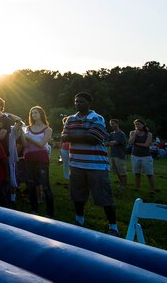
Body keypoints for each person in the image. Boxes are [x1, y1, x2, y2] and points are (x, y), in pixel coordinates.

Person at [61, 92, 119, 236]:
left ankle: (113, 227)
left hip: (96, 164)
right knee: (77, 194)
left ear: (88, 103)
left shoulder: (97, 118)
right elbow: (64, 137)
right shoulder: (70, 119)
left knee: (104, 196)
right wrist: (83, 136)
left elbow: (93, 138)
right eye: (76, 101)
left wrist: (73, 137)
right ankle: (79, 219)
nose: (78, 104)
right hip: (76, 163)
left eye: (81, 101)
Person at [22, 106, 54, 218]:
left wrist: (28, 137)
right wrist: (22, 136)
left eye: (35, 112)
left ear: (41, 114)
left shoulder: (48, 129)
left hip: (42, 159)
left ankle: (50, 212)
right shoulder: (27, 128)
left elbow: (41, 145)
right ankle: (34, 210)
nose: (33, 115)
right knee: (30, 185)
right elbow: (25, 145)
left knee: (45, 186)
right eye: (32, 113)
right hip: (29, 158)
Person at [128, 119, 155, 194]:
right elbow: (130, 142)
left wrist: (136, 143)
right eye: (135, 125)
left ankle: (152, 189)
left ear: (143, 125)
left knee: (149, 173)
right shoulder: (132, 133)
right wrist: (135, 134)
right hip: (135, 155)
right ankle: (137, 187)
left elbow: (146, 145)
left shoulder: (149, 134)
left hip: (146, 156)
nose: (137, 126)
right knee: (137, 173)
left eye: (138, 124)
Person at [105, 119, 128, 190]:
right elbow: (107, 143)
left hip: (120, 155)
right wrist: (109, 143)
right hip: (112, 155)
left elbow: (115, 142)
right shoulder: (111, 134)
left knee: (122, 171)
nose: (112, 125)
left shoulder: (121, 134)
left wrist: (109, 143)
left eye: (113, 123)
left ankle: (124, 185)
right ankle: (121, 184)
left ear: (117, 124)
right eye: (111, 124)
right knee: (117, 171)